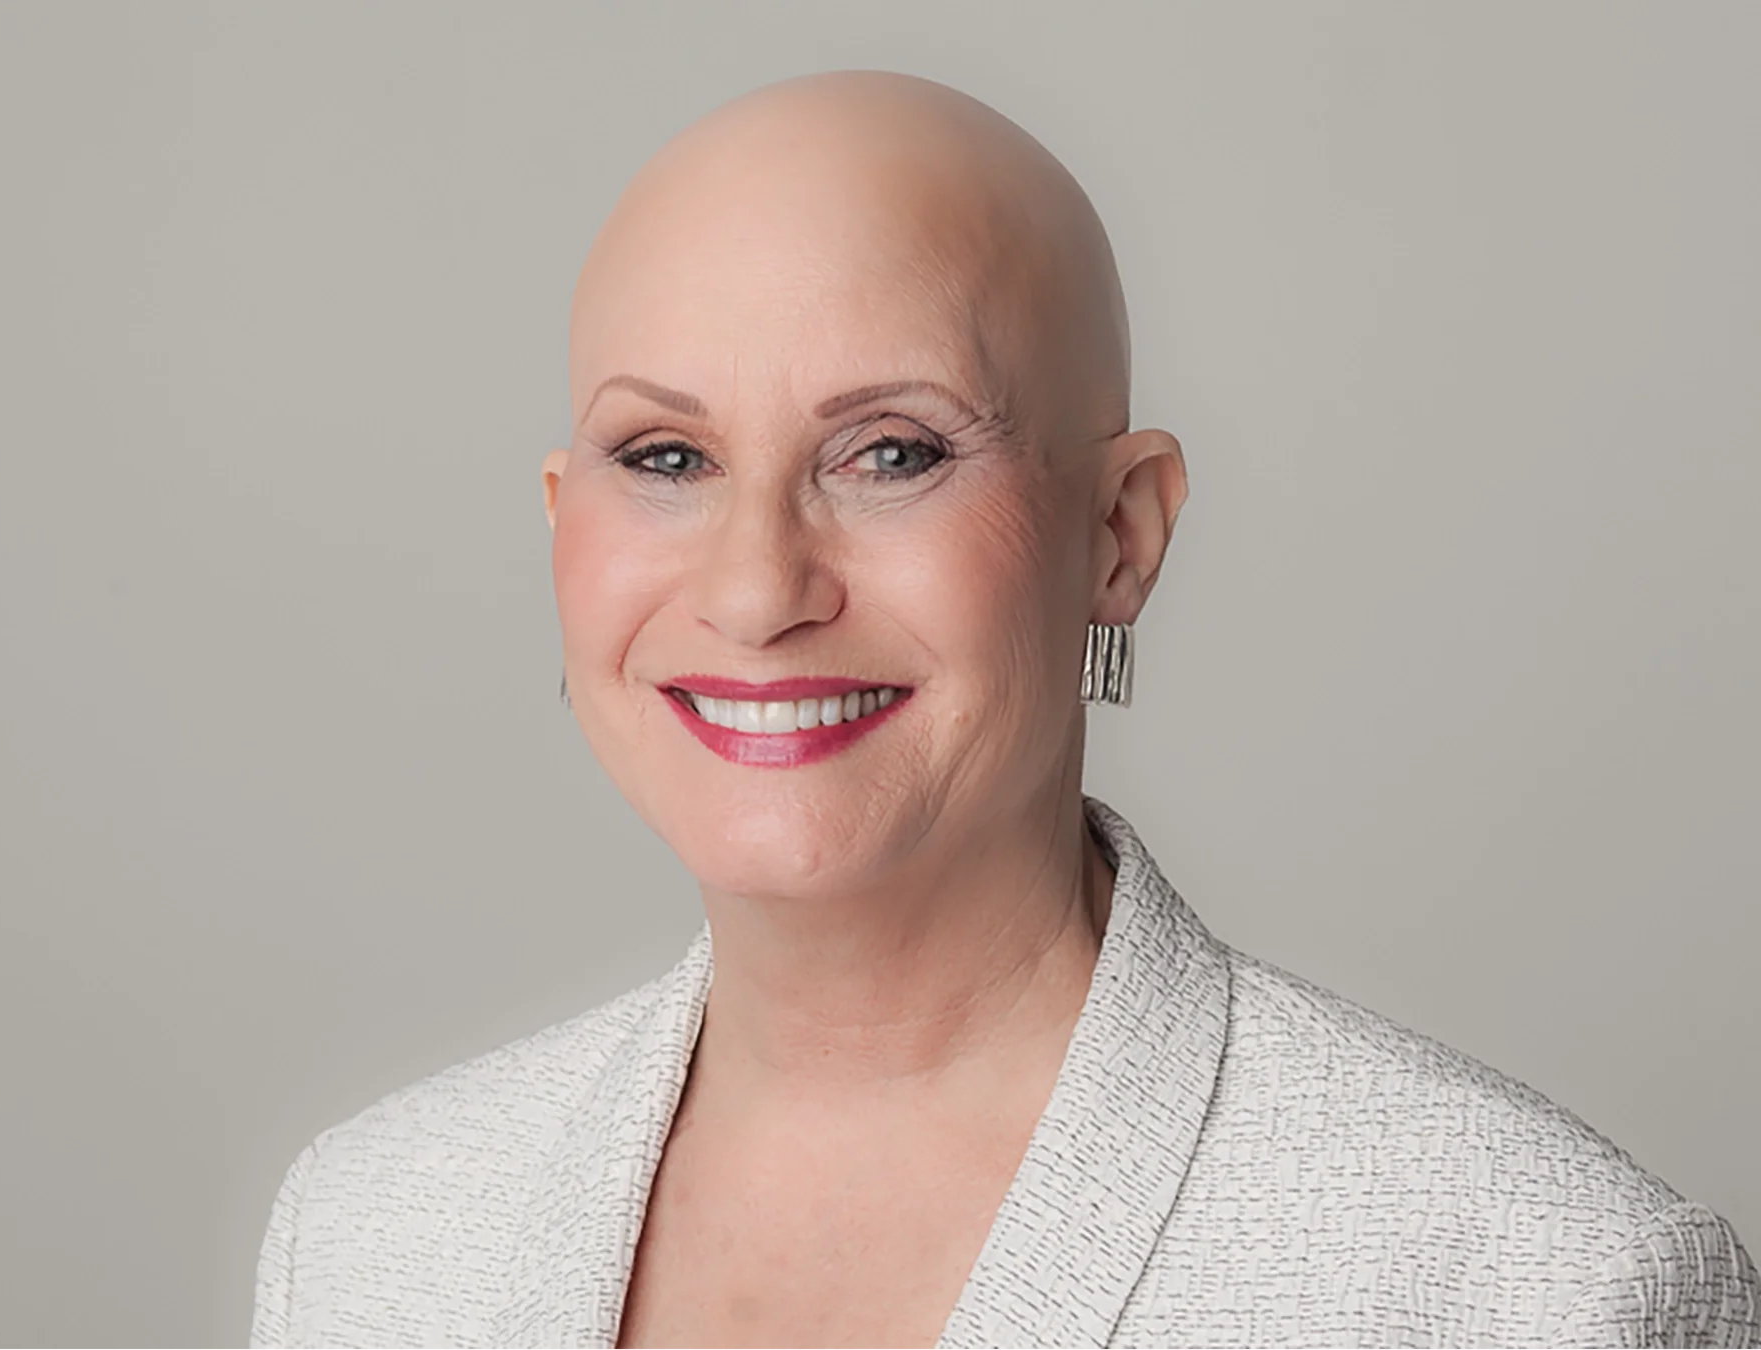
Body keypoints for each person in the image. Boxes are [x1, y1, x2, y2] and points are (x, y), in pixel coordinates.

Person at [247, 70, 1758, 1347]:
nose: (759, 586)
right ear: (561, 524)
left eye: (892, 451)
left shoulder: (1548, 1287)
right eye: (666, 458)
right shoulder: (370, 1238)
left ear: (1121, 531)